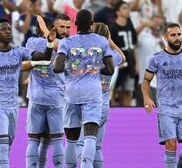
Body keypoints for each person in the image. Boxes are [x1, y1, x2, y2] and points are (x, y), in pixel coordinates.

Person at [0, 19, 57, 168]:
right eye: (3, 29)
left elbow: (45, 58)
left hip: (13, 105)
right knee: (2, 147)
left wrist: (49, 43)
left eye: (9, 29)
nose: (8, 31)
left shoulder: (19, 52)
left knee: (6, 147)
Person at [53, 9, 114, 168]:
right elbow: (110, 69)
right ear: (91, 25)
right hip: (93, 93)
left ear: (75, 24)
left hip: (72, 93)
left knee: (71, 140)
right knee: (90, 137)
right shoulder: (102, 41)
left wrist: (72, 69)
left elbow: (57, 67)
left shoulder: (66, 42)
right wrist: (94, 68)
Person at [142, 23, 182, 168]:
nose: (177, 38)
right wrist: (147, 97)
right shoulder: (156, 59)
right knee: (171, 144)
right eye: (173, 35)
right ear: (166, 37)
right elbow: (146, 80)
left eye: (179, 34)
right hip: (166, 108)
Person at [76, 22, 125, 168]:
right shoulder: (111, 56)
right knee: (96, 146)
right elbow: (123, 57)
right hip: (104, 105)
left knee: (80, 143)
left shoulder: (86, 54)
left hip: (87, 103)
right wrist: (109, 41)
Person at [25, 15, 67, 168]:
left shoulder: (31, 42)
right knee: (56, 140)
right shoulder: (63, 44)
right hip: (56, 98)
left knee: (34, 140)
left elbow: (27, 63)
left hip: (36, 97)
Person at [109, 1, 137, 106]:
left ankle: (128, 113)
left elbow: (134, 47)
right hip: (118, 63)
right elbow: (109, 47)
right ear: (117, 12)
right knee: (114, 90)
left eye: (127, 8)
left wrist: (136, 63)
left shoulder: (130, 26)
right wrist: (114, 63)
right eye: (124, 8)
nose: (127, 10)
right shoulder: (112, 28)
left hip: (130, 61)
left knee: (128, 90)